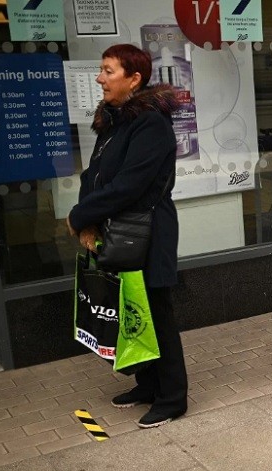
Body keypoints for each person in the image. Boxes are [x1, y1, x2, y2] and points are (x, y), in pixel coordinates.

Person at [67, 44, 188, 428]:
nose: (100, 78)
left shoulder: (150, 123)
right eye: (101, 71)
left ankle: (172, 398)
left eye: (108, 71)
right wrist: (87, 222)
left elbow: (130, 185)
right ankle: (147, 384)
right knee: (131, 311)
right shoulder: (113, 121)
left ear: (134, 79)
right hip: (117, 230)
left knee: (156, 313)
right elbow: (94, 177)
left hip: (146, 232)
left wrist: (80, 215)